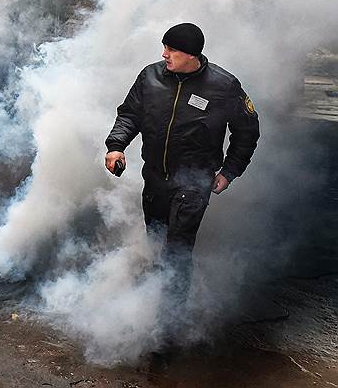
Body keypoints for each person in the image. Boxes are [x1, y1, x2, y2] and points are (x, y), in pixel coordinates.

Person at [104, 22, 260, 313]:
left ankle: (169, 322)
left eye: (171, 49)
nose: (164, 54)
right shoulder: (150, 77)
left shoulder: (224, 86)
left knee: (176, 250)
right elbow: (129, 115)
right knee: (155, 243)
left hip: (194, 183)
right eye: (164, 47)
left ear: (191, 54)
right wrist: (116, 146)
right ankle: (150, 303)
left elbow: (247, 132)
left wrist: (229, 172)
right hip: (154, 179)